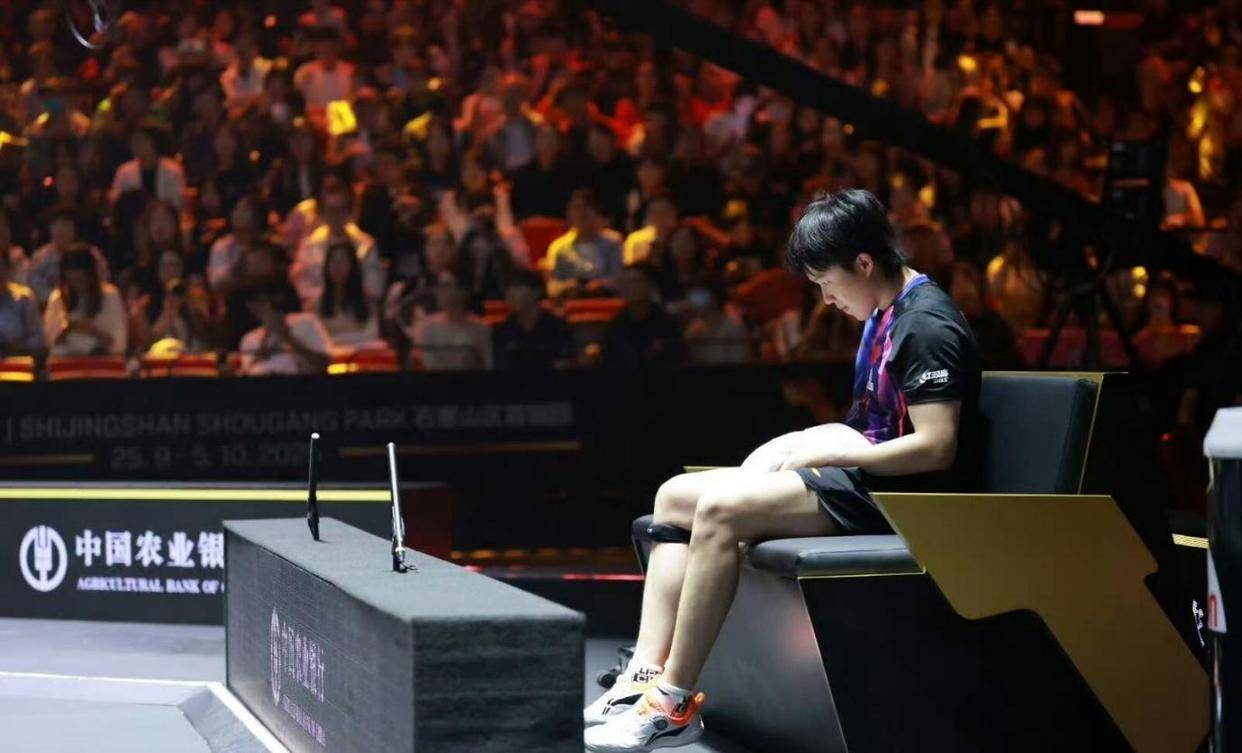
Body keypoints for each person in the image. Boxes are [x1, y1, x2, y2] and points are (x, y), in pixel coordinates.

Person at [584, 189, 980, 751]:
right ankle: (644, 676)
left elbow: (936, 448)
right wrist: (812, 439)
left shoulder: (927, 325)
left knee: (721, 511)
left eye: (827, 282)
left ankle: (672, 702)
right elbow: (873, 425)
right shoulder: (882, 311)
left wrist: (833, 453)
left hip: (902, 497)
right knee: (673, 496)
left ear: (864, 263)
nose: (826, 298)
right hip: (864, 481)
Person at [291, 179, 385, 308]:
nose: (336, 216)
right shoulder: (309, 245)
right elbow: (301, 283)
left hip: (358, 310)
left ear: (351, 211)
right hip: (319, 311)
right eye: (331, 210)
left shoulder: (366, 245)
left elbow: (375, 287)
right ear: (322, 213)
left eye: (341, 210)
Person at [43, 244, 128, 357]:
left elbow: (119, 343)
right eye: (71, 277)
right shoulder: (57, 298)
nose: (76, 282)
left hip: (101, 360)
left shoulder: (110, 295)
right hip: (66, 360)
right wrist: (69, 328)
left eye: (81, 277)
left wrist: (92, 330)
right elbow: (50, 342)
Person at [237, 281, 334, 376]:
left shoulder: (306, 322)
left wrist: (287, 337)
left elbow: (323, 365)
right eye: (254, 303)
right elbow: (248, 372)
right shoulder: (249, 339)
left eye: (263, 301)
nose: (258, 308)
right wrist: (265, 341)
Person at [601, 263, 686, 369]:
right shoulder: (615, 327)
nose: (628, 286)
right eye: (625, 281)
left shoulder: (667, 323)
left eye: (635, 281)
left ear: (650, 285)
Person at [545, 187, 624, 299]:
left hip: (605, 300)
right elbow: (552, 287)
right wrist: (566, 287)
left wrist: (602, 285)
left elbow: (619, 278)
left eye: (586, 210)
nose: (580, 215)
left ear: (597, 213)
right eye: (576, 210)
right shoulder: (559, 247)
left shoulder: (613, 243)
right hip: (571, 301)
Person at [492, 269, 576, 370]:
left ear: (536, 292)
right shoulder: (503, 330)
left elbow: (565, 363)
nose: (510, 294)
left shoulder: (557, 327)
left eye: (517, 288)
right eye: (508, 289)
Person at [412, 271, 492, 371]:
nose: (440, 291)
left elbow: (488, 366)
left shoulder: (481, 329)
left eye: (446, 285)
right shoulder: (429, 327)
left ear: (463, 291)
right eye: (439, 285)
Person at [317, 240, 382, 348]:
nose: (337, 266)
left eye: (343, 261)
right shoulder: (317, 302)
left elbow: (371, 335)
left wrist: (339, 341)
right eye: (333, 261)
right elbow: (315, 339)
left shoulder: (367, 301)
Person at [0, 250, 44, 358]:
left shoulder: (23, 298)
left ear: (8, 269)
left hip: (15, 362)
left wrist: (17, 347)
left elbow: (37, 340)